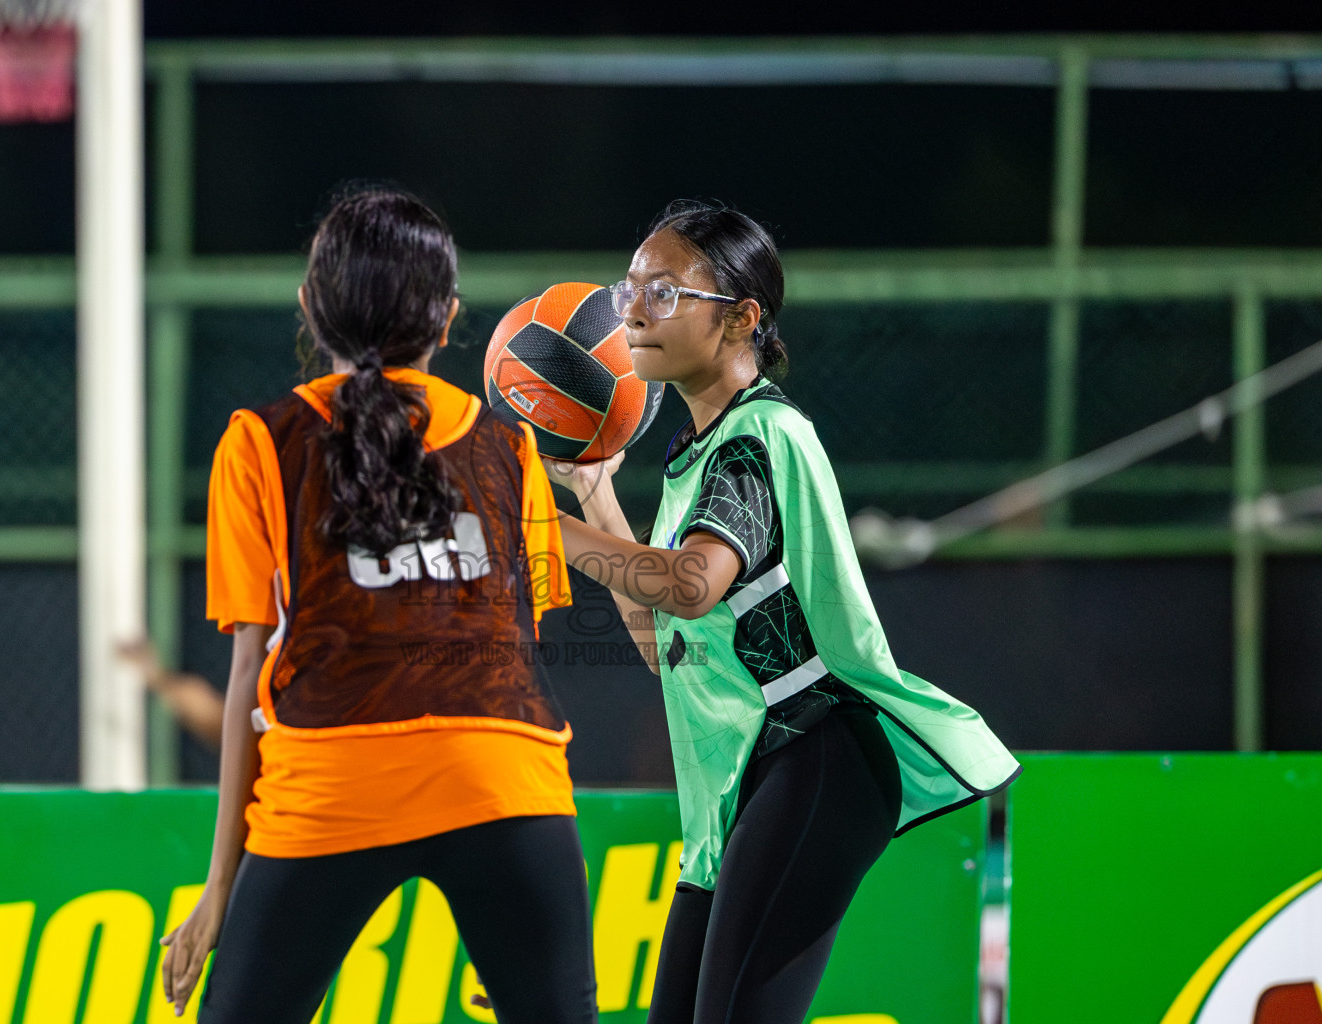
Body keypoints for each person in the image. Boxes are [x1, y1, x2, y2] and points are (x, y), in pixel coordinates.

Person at [546, 200, 1021, 1024]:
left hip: (819, 752)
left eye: (663, 292)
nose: (631, 310)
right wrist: (595, 497)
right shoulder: (693, 460)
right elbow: (669, 644)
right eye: (629, 288)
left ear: (741, 318)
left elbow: (691, 583)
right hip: (750, 776)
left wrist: (547, 527)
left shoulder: (760, 433)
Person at [159, 187, 598, 1024]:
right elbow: (519, 647)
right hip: (507, 784)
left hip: (332, 779)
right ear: (450, 319)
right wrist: (514, 920)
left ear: (309, 308)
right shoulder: (512, 446)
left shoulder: (260, 438)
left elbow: (250, 670)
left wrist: (222, 888)